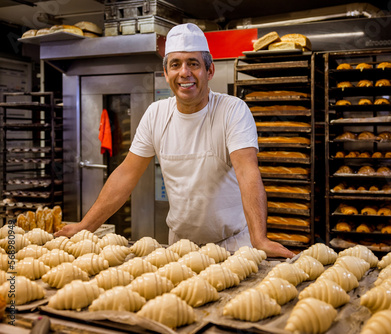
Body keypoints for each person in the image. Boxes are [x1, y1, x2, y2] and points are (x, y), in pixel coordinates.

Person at [55, 23, 295, 259]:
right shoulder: (156, 114)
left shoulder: (232, 110)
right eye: (175, 64)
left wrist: (259, 239)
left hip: (232, 247)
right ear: (166, 73)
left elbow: (247, 172)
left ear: (209, 71)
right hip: (181, 248)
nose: (184, 73)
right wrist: (85, 226)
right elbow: (126, 174)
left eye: (193, 64)